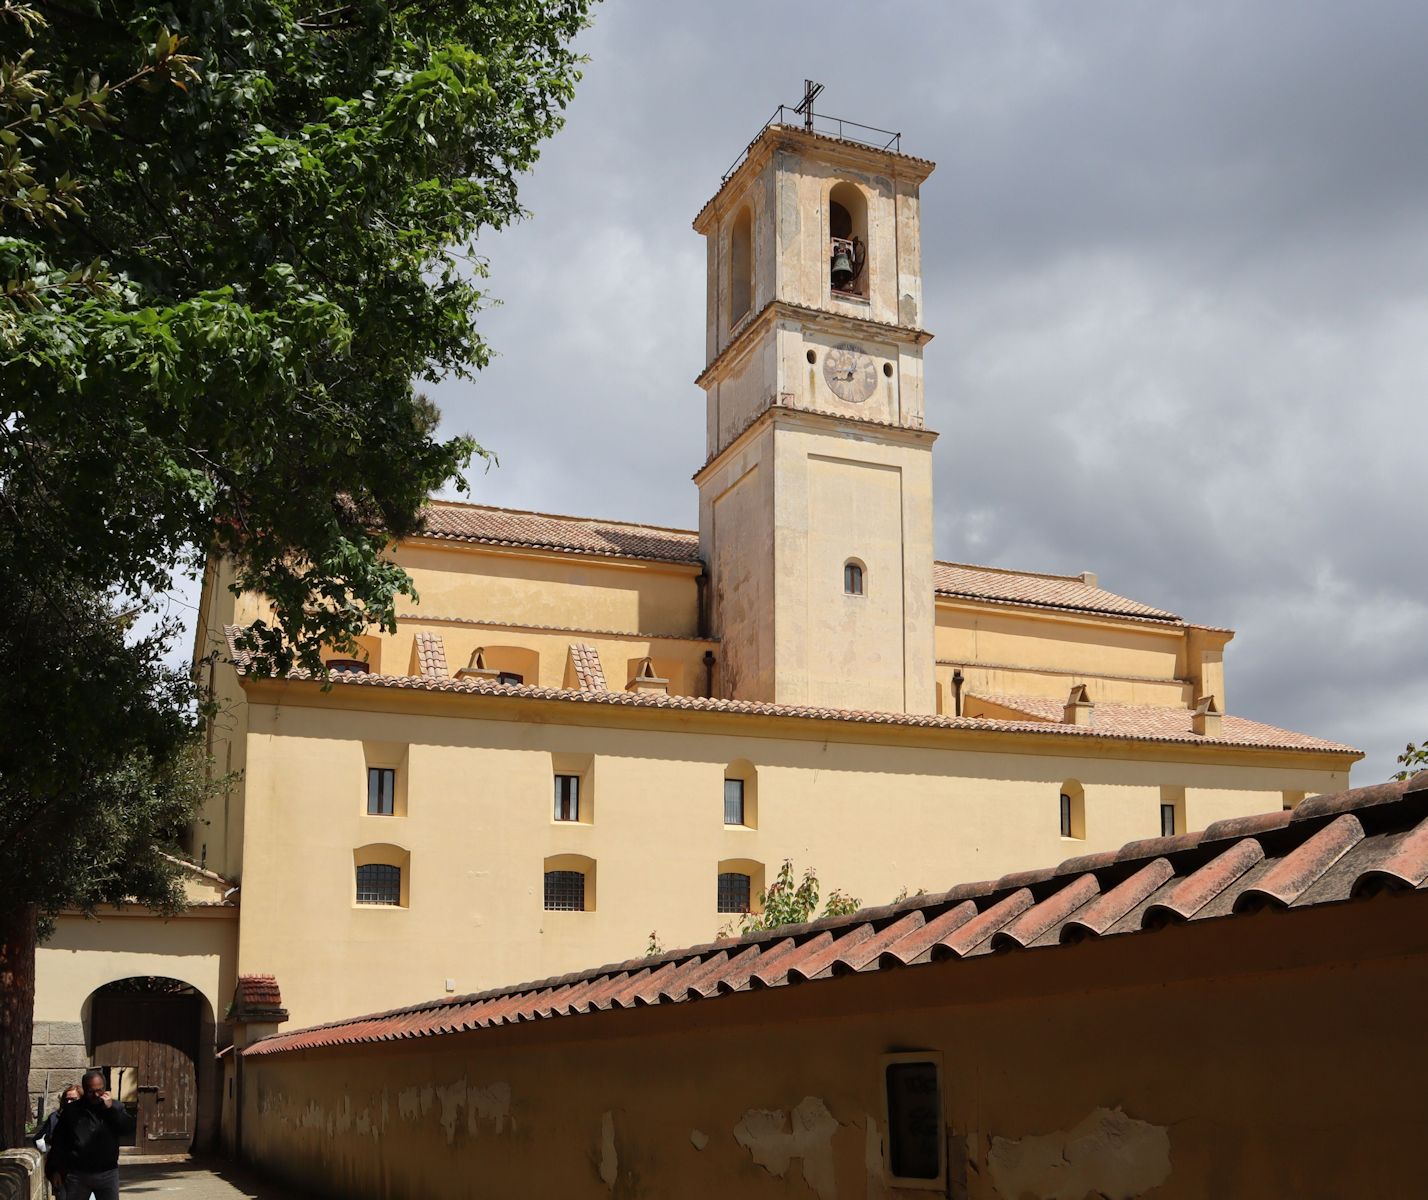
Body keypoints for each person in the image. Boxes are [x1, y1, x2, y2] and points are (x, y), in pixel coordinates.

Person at [47, 1069, 134, 1200]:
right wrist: (55, 1169)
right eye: (91, 1091)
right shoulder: (72, 1111)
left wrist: (112, 1109)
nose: (96, 1095)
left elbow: (128, 1129)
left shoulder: (115, 1107)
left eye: (99, 1090)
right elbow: (59, 1142)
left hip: (107, 1173)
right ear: (85, 1090)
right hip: (78, 1174)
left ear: (105, 1088)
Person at [33, 1085, 81, 1199]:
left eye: (73, 1099)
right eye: (66, 1099)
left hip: (84, 1174)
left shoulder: (89, 1118)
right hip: (62, 1173)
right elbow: (39, 1138)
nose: (69, 1102)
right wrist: (54, 1170)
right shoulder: (54, 1118)